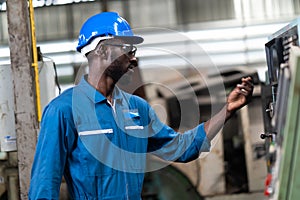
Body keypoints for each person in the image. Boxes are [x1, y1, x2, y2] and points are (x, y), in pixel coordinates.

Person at [28, 11, 253, 200]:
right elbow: (44, 186)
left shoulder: (137, 109)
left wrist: (228, 110)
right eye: (127, 49)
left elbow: (182, 148)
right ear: (103, 50)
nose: (134, 59)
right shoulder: (63, 111)